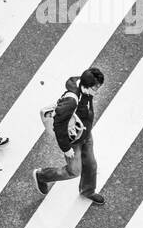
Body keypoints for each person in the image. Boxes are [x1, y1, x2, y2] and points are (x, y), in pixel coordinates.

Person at [32, 67, 105, 205]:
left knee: (91, 164)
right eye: (95, 88)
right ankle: (42, 176)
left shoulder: (84, 86)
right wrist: (66, 148)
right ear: (85, 86)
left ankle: (87, 190)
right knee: (74, 171)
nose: (96, 92)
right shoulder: (71, 101)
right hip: (73, 141)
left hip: (85, 133)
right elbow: (59, 126)